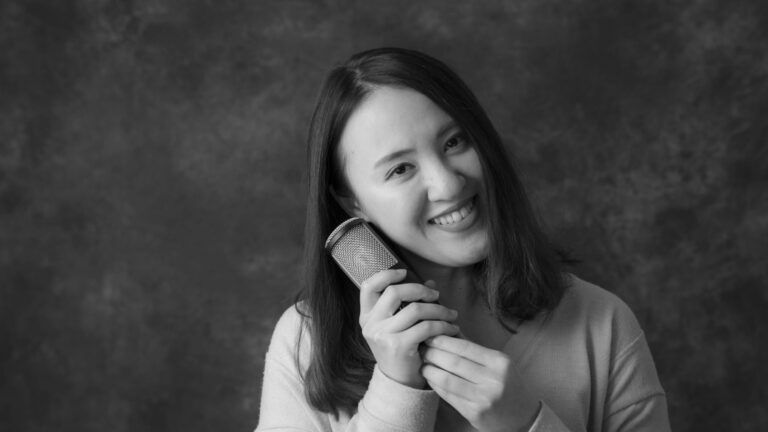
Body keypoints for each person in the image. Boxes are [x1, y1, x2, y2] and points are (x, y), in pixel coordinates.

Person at [255, 47, 670, 432]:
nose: (448, 184)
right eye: (400, 169)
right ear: (353, 203)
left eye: (454, 142)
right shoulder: (305, 343)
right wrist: (396, 393)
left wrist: (526, 423)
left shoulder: (603, 323)